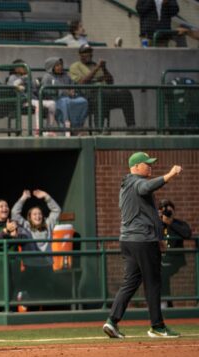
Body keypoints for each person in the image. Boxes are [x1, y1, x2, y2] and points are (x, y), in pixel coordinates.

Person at [103, 152, 183, 339]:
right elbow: (146, 187)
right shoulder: (136, 182)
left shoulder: (127, 184)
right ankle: (157, 326)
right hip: (142, 241)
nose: (150, 166)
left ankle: (112, 321)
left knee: (130, 282)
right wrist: (169, 175)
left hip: (129, 241)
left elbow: (147, 212)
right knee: (153, 283)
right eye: (146, 164)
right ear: (136, 166)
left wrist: (159, 238)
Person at [69, 44, 137, 132]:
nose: (89, 54)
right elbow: (82, 82)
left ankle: (131, 128)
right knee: (101, 95)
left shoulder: (95, 65)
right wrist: (97, 69)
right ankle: (99, 129)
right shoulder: (75, 66)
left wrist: (104, 69)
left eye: (90, 52)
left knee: (125, 94)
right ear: (80, 54)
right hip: (87, 96)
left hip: (105, 93)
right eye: (86, 52)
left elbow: (110, 82)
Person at [6, 59, 57, 135]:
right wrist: (19, 84)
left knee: (52, 104)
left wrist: (37, 84)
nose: (25, 69)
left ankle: (49, 129)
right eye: (22, 67)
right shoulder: (13, 77)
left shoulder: (29, 77)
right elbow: (11, 86)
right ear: (16, 69)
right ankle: (39, 131)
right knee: (38, 105)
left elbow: (35, 91)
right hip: (22, 102)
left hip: (33, 100)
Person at [158, 199, 192, 307]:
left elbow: (187, 234)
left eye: (169, 211)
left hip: (175, 260)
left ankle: (165, 302)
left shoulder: (178, 223)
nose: (167, 214)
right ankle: (165, 302)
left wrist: (171, 222)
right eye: (165, 212)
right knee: (159, 271)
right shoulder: (158, 224)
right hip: (160, 260)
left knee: (163, 272)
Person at [41, 57, 89, 134]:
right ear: (51, 67)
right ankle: (66, 127)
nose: (60, 67)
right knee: (64, 102)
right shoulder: (47, 77)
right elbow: (46, 91)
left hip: (70, 98)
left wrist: (73, 90)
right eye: (57, 65)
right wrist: (63, 92)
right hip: (55, 99)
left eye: (61, 65)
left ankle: (78, 127)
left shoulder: (66, 75)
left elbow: (73, 85)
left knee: (83, 101)